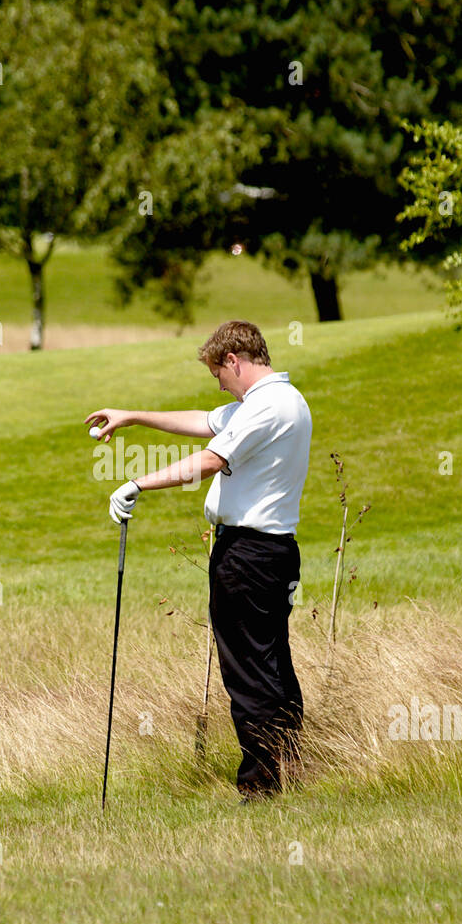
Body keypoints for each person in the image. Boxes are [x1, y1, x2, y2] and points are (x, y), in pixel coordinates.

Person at [85, 320, 312, 801]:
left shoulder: (268, 407)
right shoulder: (275, 401)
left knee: (248, 669)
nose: (219, 384)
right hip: (271, 552)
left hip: (249, 555)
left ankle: (261, 786)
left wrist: (137, 484)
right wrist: (132, 416)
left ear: (234, 360)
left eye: (218, 374)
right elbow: (202, 420)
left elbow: (210, 458)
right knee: (271, 661)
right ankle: (290, 768)